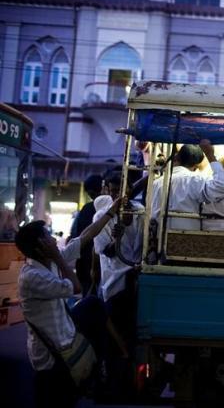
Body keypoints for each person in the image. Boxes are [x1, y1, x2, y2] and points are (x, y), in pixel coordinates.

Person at [16, 197, 122, 408]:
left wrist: (110, 213)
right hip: (51, 357)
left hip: (67, 340)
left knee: (93, 305)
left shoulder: (49, 262)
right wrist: (58, 257)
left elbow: (84, 237)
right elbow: (75, 288)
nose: (54, 240)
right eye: (48, 237)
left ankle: (105, 366)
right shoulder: (32, 277)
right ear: (40, 247)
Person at [93, 177, 143, 348]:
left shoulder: (141, 212)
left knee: (133, 332)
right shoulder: (101, 216)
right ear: (108, 190)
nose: (117, 196)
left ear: (129, 190)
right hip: (114, 283)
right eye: (113, 191)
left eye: (121, 191)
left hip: (135, 281)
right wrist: (118, 235)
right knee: (114, 335)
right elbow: (105, 250)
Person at [151, 139, 224, 230]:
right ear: (196, 165)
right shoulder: (195, 180)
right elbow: (222, 186)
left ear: (177, 158)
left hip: (157, 237)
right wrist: (210, 155)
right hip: (186, 239)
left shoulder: (156, 183)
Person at [68, 174, 103, 295]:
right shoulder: (90, 209)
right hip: (92, 264)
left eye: (93, 194)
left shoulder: (88, 209)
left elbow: (77, 236)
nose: (94, 198)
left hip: (90, 264)